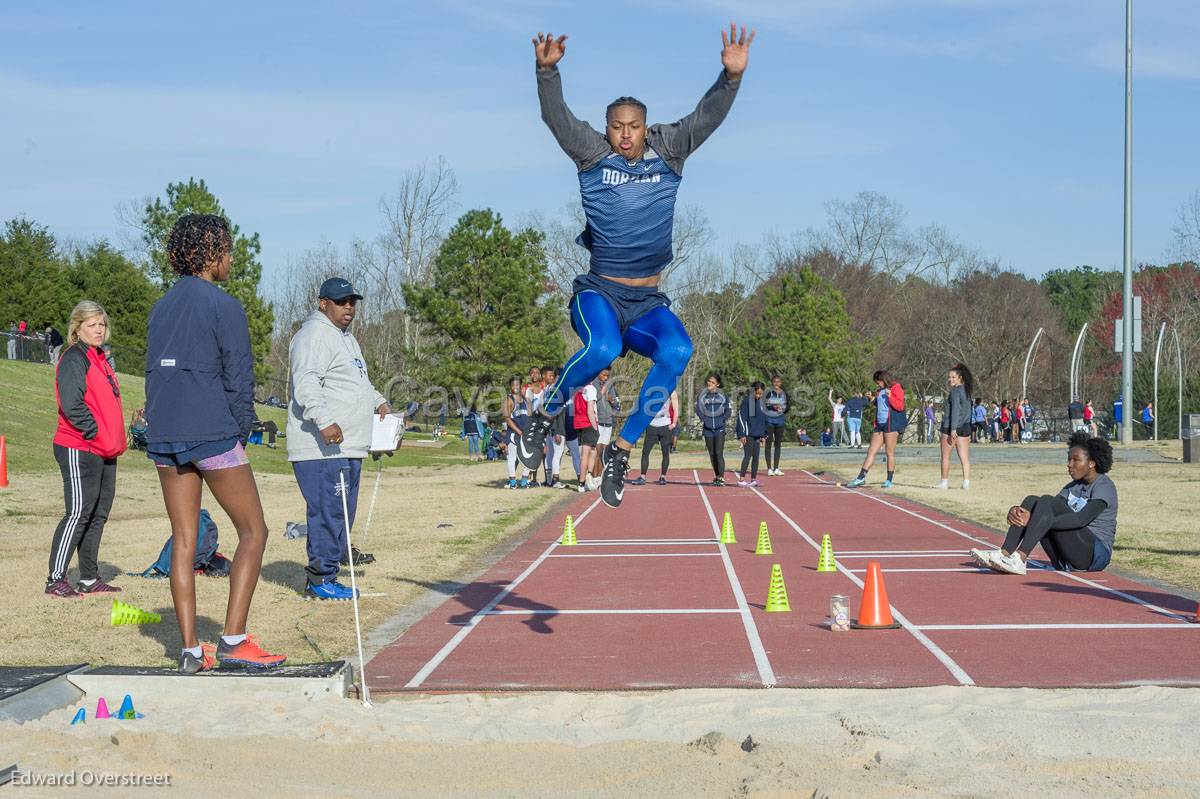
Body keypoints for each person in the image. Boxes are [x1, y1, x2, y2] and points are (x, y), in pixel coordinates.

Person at [521, 24, 755, 509]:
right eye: (617, 126)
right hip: (600, 294)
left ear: (645, 127)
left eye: (633, 127)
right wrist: (547, 71)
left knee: (679, 350)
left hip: (647, 301)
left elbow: (705, 118)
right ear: (606, 129)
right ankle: (547, 412)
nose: (625, 135)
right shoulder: (590, 153)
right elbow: (556, 118)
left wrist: (729, 79)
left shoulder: (669, 150)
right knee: (603, 347)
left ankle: (622, 450)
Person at [144, 214, 285, 673]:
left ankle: (189, 651)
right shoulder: (225, 306)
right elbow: (238, 382)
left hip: (165, 433)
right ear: (210, 253)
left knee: (184, 539)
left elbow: (154, 372)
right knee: (254, 531)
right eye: (227, 248)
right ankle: (233, 641)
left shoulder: (161, 306)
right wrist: (243, 431)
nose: (232, 257)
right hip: (211, 434)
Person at [287, 276, 389, 601]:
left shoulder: (348, 339)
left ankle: (327, 573)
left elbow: (359, 384)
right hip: (322, 448)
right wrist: (324, 420)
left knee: (343, 513)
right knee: (329, 511)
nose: (349, 307)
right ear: (323, 303)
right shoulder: (314, 334)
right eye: (341, 301)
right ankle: (320, 580)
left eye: (352, 302)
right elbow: (306, 383)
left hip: (349, 446)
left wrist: (379, 402)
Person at [45, 301, 127, 598]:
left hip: (105, 449)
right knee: (79, 512)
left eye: (101, 324)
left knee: (98, 513)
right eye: (91, 324)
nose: (98, 329)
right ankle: (56, 580)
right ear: (77, 328)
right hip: (79, 445)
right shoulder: (73, 358)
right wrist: (93, 432)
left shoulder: (100, 357)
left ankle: (89, 578)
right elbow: (72, 403)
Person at [971, 431, 1117, 576]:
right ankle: (1005, 553)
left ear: (1091, 463)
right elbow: (1046, 511)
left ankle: (1020, 558)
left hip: (1093, 556)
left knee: (1046, 501)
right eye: (1068, 459)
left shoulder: (1104, 486)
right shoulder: (1073, 486)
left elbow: (1081, 520)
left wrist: (1034, 521)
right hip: (1065, 555)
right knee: (1033, 501)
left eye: (1076, 460)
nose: (1069, 464)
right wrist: (1018, 512)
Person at [847, 371, 906, 489]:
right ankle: (861, 477)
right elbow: (881, 405)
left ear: (884, 379)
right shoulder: (879, 391)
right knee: (871, 450)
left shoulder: (896, 387)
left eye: (878, 382)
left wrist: (890, 396)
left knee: (889, 452)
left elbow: (900, 406)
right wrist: (872, 399)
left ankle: (889, 480)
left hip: (891, 424)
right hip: (879, 424)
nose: (877, 384)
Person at [937, 363, 973, 490]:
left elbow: (956, 410)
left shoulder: (955, 391)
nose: (950, 379)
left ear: (960, 378)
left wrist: (953, 429)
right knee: (964, 458)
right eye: (949, 377)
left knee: (945, 457)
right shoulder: (967, 391)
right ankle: (966, 482)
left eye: (953, 377)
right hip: (965, 427)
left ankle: (944, 482)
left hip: (951, 427)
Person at [630, 389, 678, 486]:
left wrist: (673, 424)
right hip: (652, 426)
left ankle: (663, 477)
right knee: (645, 451)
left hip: (665, 426)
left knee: (665, 452)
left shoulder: (671, 390)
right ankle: (642, 477)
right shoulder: (651, 389)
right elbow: (644, 406)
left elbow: (676, 408)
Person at [696, 373, 731, 486]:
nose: (710, 384)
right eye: (709, 381)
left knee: (718, 453)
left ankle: (721, 477)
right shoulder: (702, 395)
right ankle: (717, 476)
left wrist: (722, 419)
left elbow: (728, 410)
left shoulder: (723, 395)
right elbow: (699, 409)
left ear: (718, 384)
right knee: (712, 454)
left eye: (713, 382)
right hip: (708, 429)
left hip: (719, 428)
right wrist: (704, 419)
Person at [736, 382, 768, 487]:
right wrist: (742, 434)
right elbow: (741, 418)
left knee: (756, 457)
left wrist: (764, 435)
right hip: (748, 434)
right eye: (757, 393)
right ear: (753, 390)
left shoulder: (762, 403)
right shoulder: (746, 402)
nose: (758, 396)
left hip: (758, 435)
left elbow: (764, 419)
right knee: (747, 456)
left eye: (760, 394)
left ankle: (753, 479)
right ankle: (741, 479)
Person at [503, 377, 532, 489]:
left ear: (521, 386)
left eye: (517, 385)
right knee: (512, 457)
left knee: (528, 457)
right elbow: (507, 418)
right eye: (513, 385)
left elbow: (530, 418)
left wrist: (529, 431)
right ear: (510, 387)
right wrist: (518, 431)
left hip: (525, 434)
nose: (515, 387)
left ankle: (524, 481)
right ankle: (512, 482)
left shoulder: (527, 400)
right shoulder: (508, 400)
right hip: (514, 434)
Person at [572, 382, 600, 492]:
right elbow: (590, 411)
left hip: (578, 423)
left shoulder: (577, 388)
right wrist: (595, 427)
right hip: (588, 423)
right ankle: (582, 483)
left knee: (593, 451)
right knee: (586, 454)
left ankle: (587, 477)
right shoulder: (591, 389)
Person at [764, 377, 788, 474]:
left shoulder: (784, 393)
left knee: (778, 444)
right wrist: (773, 407)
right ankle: (769, 468)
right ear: (772, 383)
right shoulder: (768, 393)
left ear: (781, 382)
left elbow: (788, 406)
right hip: (769, 420)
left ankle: (776, 468)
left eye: (778, 381)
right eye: (774, 382)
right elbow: (764, 405)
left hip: (780, 421)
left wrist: (782, 409)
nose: (776, 383)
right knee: (768, 444)